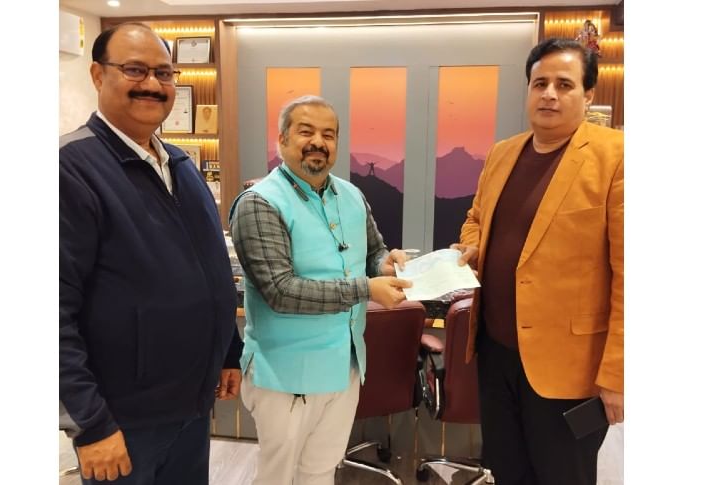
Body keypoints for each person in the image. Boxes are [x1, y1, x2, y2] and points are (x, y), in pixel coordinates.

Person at [60, 22, 243, 484]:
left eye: (164, 73)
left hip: (190, 407)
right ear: (98, 75)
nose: (152, 84)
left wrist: (228, 350)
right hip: (122, 420)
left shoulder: (180, 164)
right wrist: (89, 424)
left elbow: (209, 267)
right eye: (135, 70)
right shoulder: (69, 170)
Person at [452, 38, 623, 485]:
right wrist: (472, 247)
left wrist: (618, 374)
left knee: (563, 474)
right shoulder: (503, 153)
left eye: (564, 84)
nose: (549, 94)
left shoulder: (617, 156)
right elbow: (475, 219)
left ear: (588, 94)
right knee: (506, 471)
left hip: (571, 368)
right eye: (539, 83)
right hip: (496, 354)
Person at [229, 95, 412, 485]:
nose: (318, 142)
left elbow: (374, 251)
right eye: (306, 131)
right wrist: (366, 289)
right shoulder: (259, 203)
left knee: (321, 473)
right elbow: (280, 291)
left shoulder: (351, 195)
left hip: (345, 367)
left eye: (328, 134)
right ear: (282, 139)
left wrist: (386, 263)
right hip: (285, 375)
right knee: (278, 478)